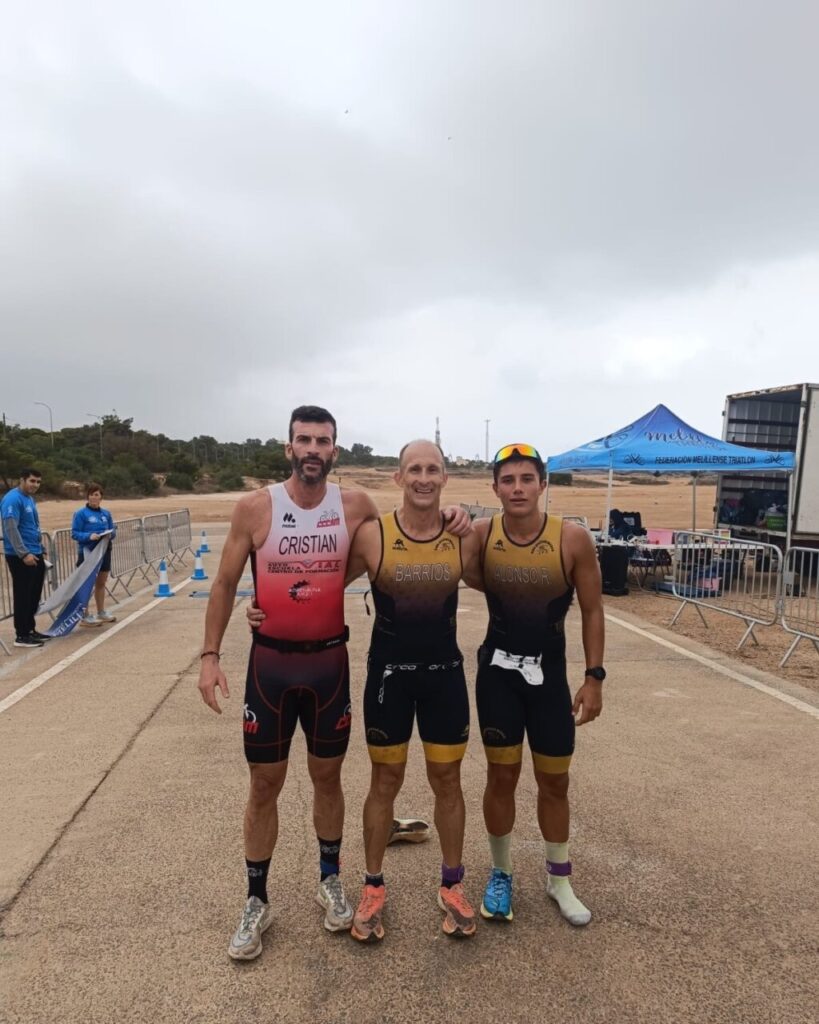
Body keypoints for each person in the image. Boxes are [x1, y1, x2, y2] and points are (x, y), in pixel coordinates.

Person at [199, 407, 469, 961]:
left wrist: (457, 515)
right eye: (304, 439)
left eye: (323, 440)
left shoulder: (356, 506)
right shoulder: (254, 508)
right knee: (264, 785)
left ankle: (330, 881)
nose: (313, 448)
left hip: (329, 664)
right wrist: (210, 655)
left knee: (328, 780)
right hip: (269, 666)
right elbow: (225, 581)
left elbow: (401, 536)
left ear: (336, 450)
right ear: (289, 447)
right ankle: (256, 900)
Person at [347, 440, 482, 943]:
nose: (424, 478)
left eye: (433, 469)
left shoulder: (463, 536)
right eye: (414, 470)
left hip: (444, 674)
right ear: (398, 478)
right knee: (385, 780)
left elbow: (506, 585)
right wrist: (265, 610)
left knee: (448, 781)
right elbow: (321, 585)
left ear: (445, 478)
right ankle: (373, 885)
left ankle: (452, 884)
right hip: (389, 677)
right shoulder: (371, 535)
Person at [465, 444, 604, 927]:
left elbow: (592, 610)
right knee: (500, 777)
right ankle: (501, 873)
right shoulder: (481, 534)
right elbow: (439, 564)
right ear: (496, 488)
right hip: (497, 678)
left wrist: (594, 677)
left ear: (543, 484)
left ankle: (559, 878)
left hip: (549, 681)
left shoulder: (571, 539)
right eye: (508, 480)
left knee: (554, 781)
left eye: (528, 478)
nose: (518, 488)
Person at [1, 468, 51, 648]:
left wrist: (40, 547)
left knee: (33, 595)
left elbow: (32, 526)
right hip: (20, 556)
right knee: (23, 595)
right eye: (32, 481)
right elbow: (11, 528)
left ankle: (30, 629)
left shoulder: (29, 498)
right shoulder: (12, 499)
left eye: (38, 482)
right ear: (22, 480)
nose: (35, 485)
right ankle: (21, 635)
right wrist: (24, 554)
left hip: (34, 552)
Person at [71, 483, 117, 626]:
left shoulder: (106, 513)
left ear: (101, 497)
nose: (94, 497)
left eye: (96, 494)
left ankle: (101, 611)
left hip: (104, 551)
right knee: (86, 584)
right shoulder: (80, 513)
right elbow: (75, 533)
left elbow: (112, 531)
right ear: (87, 496)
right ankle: (84, 615)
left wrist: (110, 534)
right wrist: (89, 536)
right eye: (91, 494)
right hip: (88, 553)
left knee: (101, 582)